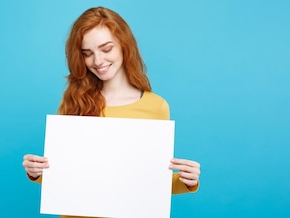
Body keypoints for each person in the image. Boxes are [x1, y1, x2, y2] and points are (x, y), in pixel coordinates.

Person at [21, 6, 201, 217]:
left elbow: (150, 186)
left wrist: (188, 180)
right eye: (87, 54)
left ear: (124, 46)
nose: (98, 61)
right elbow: (65, 179)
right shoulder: (73, 102)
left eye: (106, 49)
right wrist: (36, 172)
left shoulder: (156, 107)